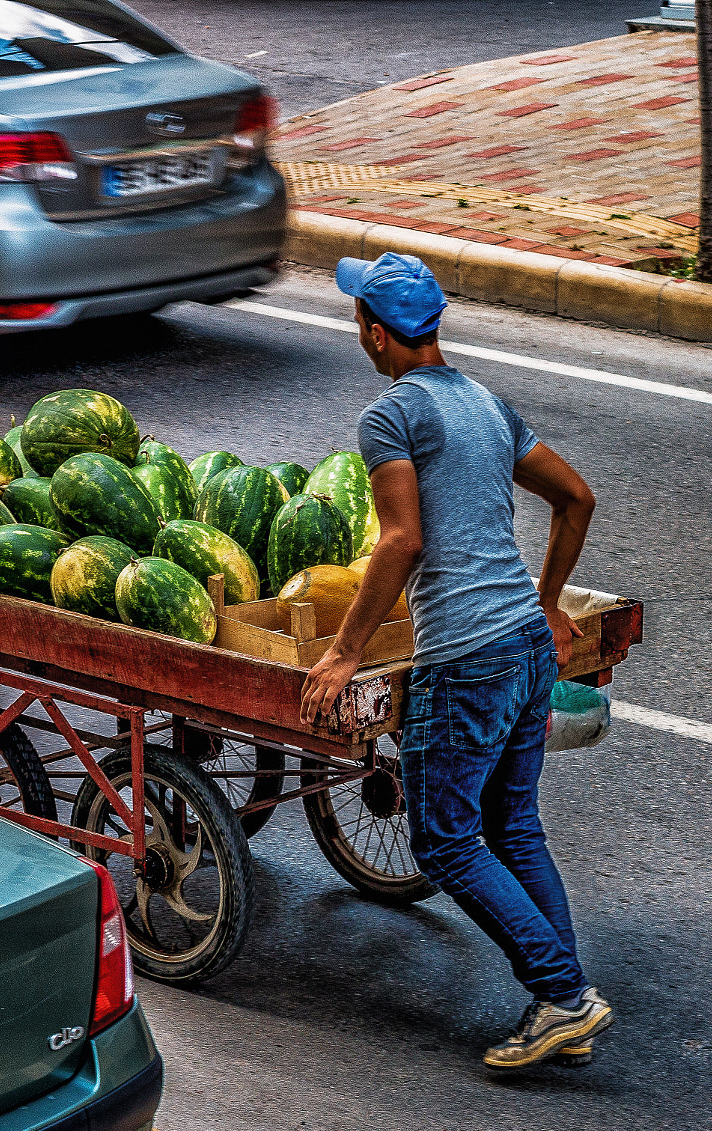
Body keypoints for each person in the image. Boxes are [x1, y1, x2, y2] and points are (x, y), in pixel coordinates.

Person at [299, 251, 609, 1070]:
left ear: (374, 334)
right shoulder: (488, 405)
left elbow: (401, 540)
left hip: (467, 656)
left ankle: (564, 994)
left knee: (443, 842)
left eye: (357, 317)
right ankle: (562, 998)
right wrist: (547, 600)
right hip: (525, 646)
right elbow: (576, 498)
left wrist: (341, 652)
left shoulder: (390, 415)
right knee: (512, 825)